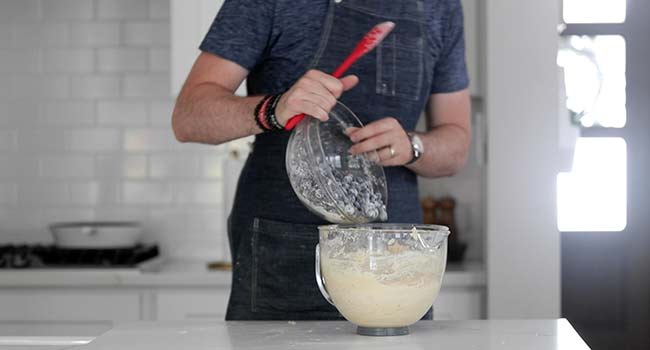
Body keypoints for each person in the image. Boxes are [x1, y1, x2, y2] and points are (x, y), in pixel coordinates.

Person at [172, 0, 471, 321]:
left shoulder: (441, 7)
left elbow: (456, 147)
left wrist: (413, 146)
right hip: (283, 252)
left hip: (396, 260)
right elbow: (188, 117)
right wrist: (273, 109)